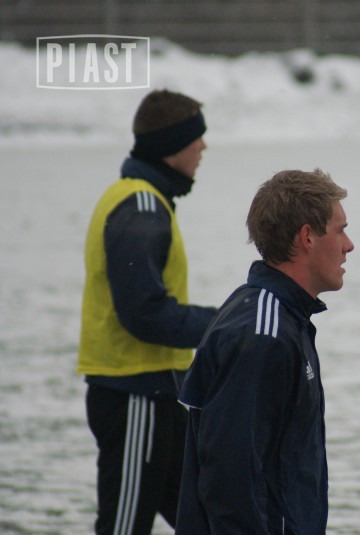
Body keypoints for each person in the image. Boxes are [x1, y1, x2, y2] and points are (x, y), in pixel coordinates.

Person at [175, 169, 354, 534]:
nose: (349, 245)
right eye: (340, 231)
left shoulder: (283, 318)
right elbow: (231, 478)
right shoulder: (264, 336)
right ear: (307, 236)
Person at [77, 89, 218, 534]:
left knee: (209, 523)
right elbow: (144, 314)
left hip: (161, 395)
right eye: (196, 137)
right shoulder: (140, 206)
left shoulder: (148, 200)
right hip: (134, 396)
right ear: (171, 145)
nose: (203, 146)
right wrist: (221, 326)